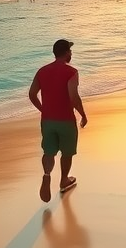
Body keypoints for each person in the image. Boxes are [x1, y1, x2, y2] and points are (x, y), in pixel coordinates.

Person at [28, 38, 88, 203]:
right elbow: (73, 97)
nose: (71, 53)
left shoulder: (42, 71)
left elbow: (32, 94)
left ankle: (47, 174)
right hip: (66, 120)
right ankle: (63, 180)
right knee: (67, 152)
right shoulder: (71, 72)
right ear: (67, 53)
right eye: (70, 51)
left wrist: (43, 109)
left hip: (47, 121)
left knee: (49, 151)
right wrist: (83, 115)